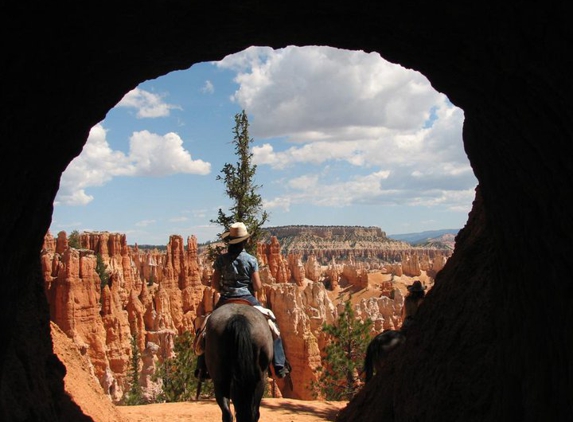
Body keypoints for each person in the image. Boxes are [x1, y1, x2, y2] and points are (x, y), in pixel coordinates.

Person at [196, 222, 290, 379]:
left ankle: (202, 367)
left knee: (205, 327)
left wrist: (224, 289)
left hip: (226, 298)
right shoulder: (251, 260)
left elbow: (214, 284)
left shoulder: (221, 260)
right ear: (245, 241)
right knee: (272, 324)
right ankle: (279, 364)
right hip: (247, 298)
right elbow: (258, 286)